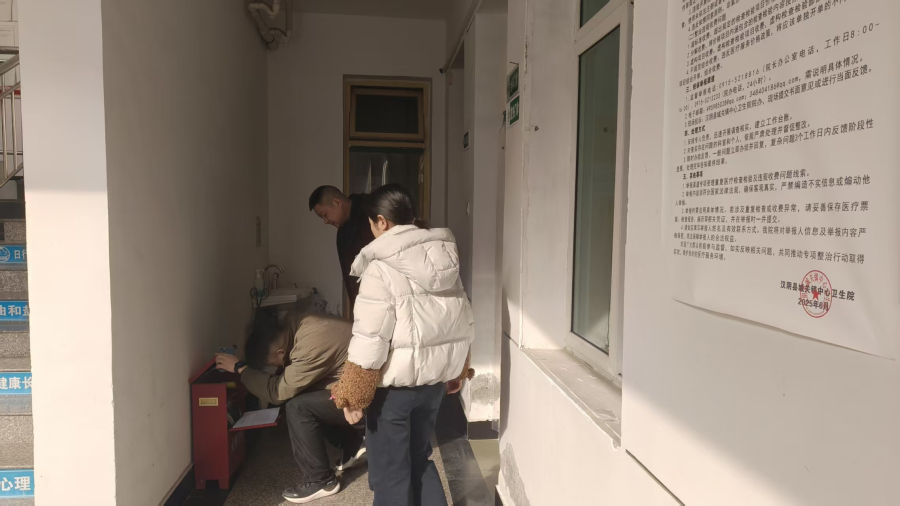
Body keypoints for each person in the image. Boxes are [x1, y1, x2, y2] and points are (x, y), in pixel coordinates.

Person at [330, 184, 475, 506]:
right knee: (419, 460)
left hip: (394, 391)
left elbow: (371, 337)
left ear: (381, 222)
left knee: (390, 474)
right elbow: (460, 319)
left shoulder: (380, 267)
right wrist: (457, 369)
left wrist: (352, 395)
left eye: (371, 224)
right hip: (433, 386)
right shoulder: (444, 260)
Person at [215, 311, 367, 504]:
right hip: (362, 386)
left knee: (297, 406)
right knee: (302, 394)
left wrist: (241, 369)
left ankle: (321, 480)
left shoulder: (310, 347)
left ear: (280, 353)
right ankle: (354, 443)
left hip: (366, 398)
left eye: (272, 364)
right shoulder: (300, 322)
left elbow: (278, 392)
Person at [309, 186, 375, 317]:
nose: (325, 222)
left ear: (337, 202)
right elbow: (350, 280)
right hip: (364, 307)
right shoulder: (342, 234)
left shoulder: (372, 211)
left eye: (324, 215)